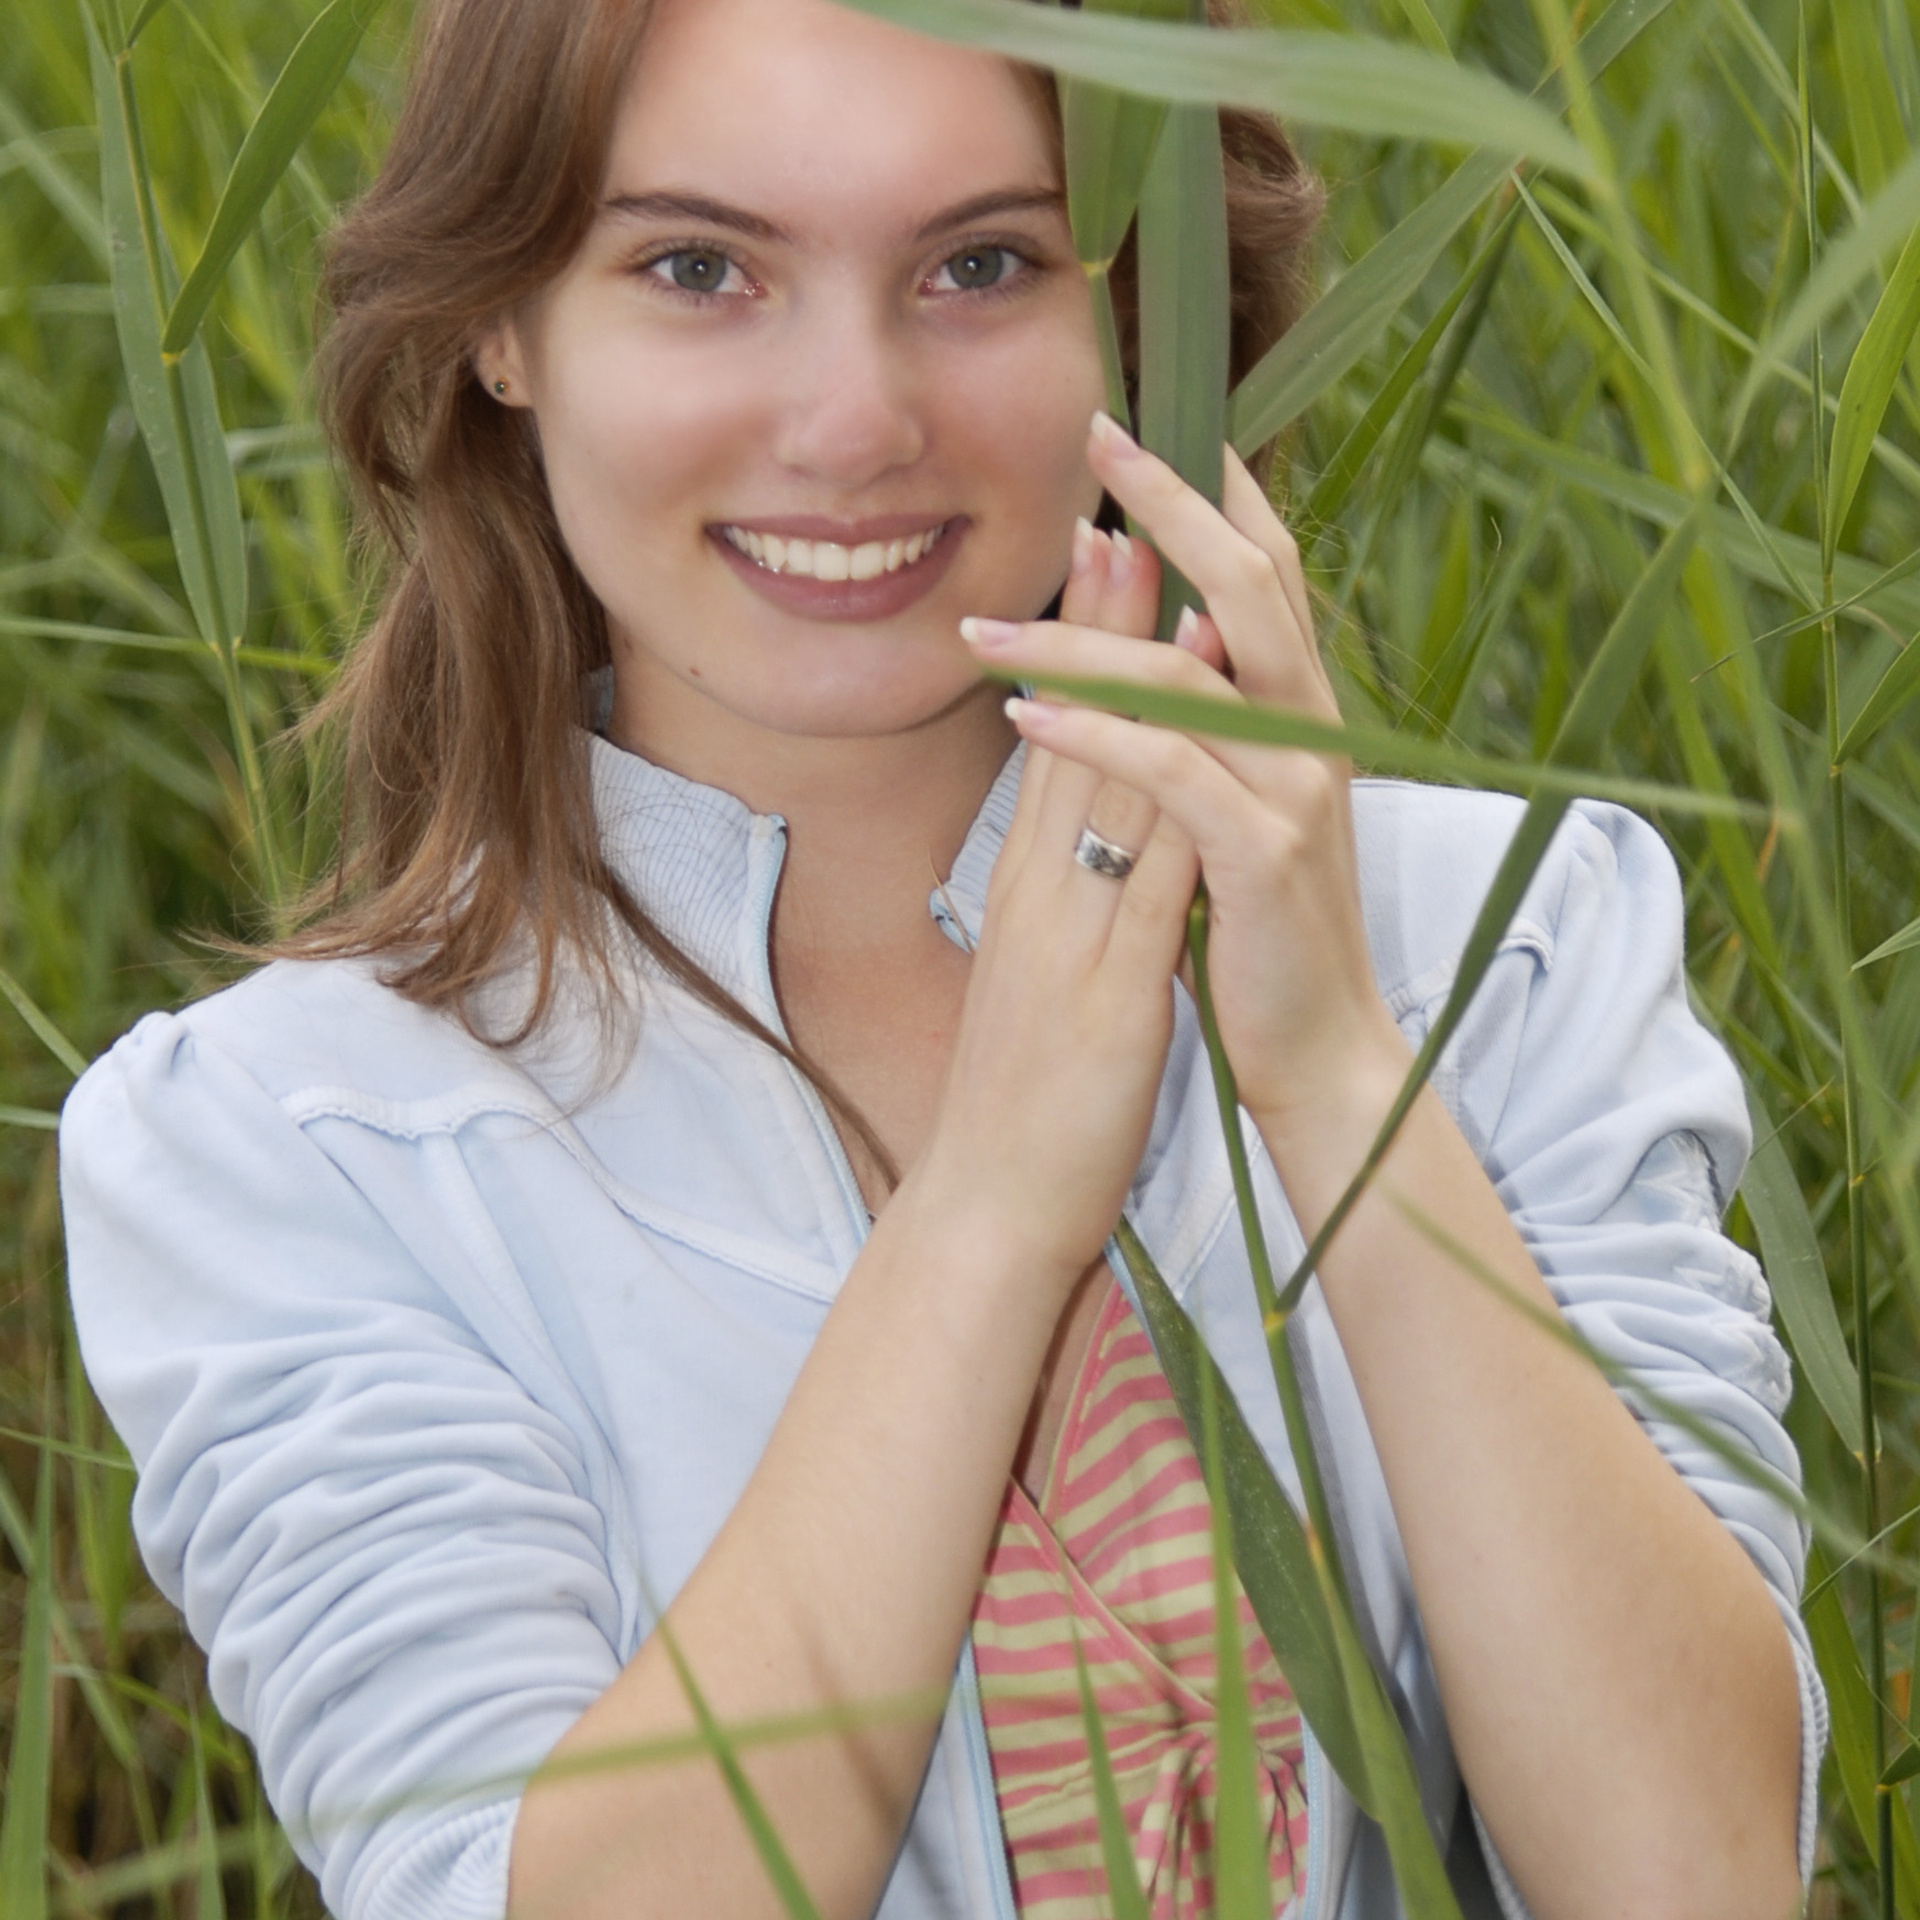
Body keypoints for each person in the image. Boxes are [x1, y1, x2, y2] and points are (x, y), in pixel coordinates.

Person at [59, 1, 1824, 1917]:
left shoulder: (1513, 944)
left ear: (1148, 322)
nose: (853, 423)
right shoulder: (294, 1141)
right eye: (697, 268)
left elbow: (1697, 1880)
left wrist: (1333, 1075)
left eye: (980, 264)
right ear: (500, 321)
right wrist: (990, 1206)